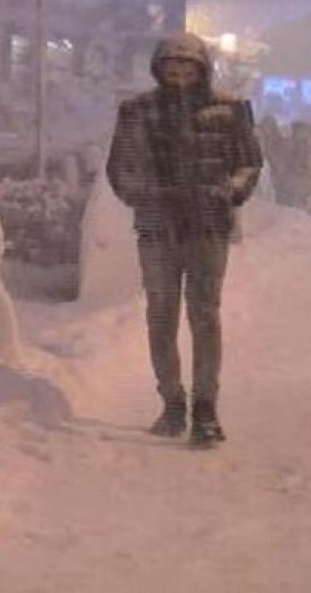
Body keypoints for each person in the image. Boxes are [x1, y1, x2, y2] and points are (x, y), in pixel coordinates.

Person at [106, 33, 263, 448]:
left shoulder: (229, 110)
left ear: (201, 68)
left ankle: (206, 406)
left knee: (204, 314)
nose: (178, 75)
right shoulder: (137, 112)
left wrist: (229, 190)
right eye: (170, 68)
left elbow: (248, 162)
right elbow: (120, 167)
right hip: (157, 226)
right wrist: (144, 195)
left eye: (187, 67)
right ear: (159, 69)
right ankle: (172, 400)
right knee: (161, 313)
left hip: (208, 224)